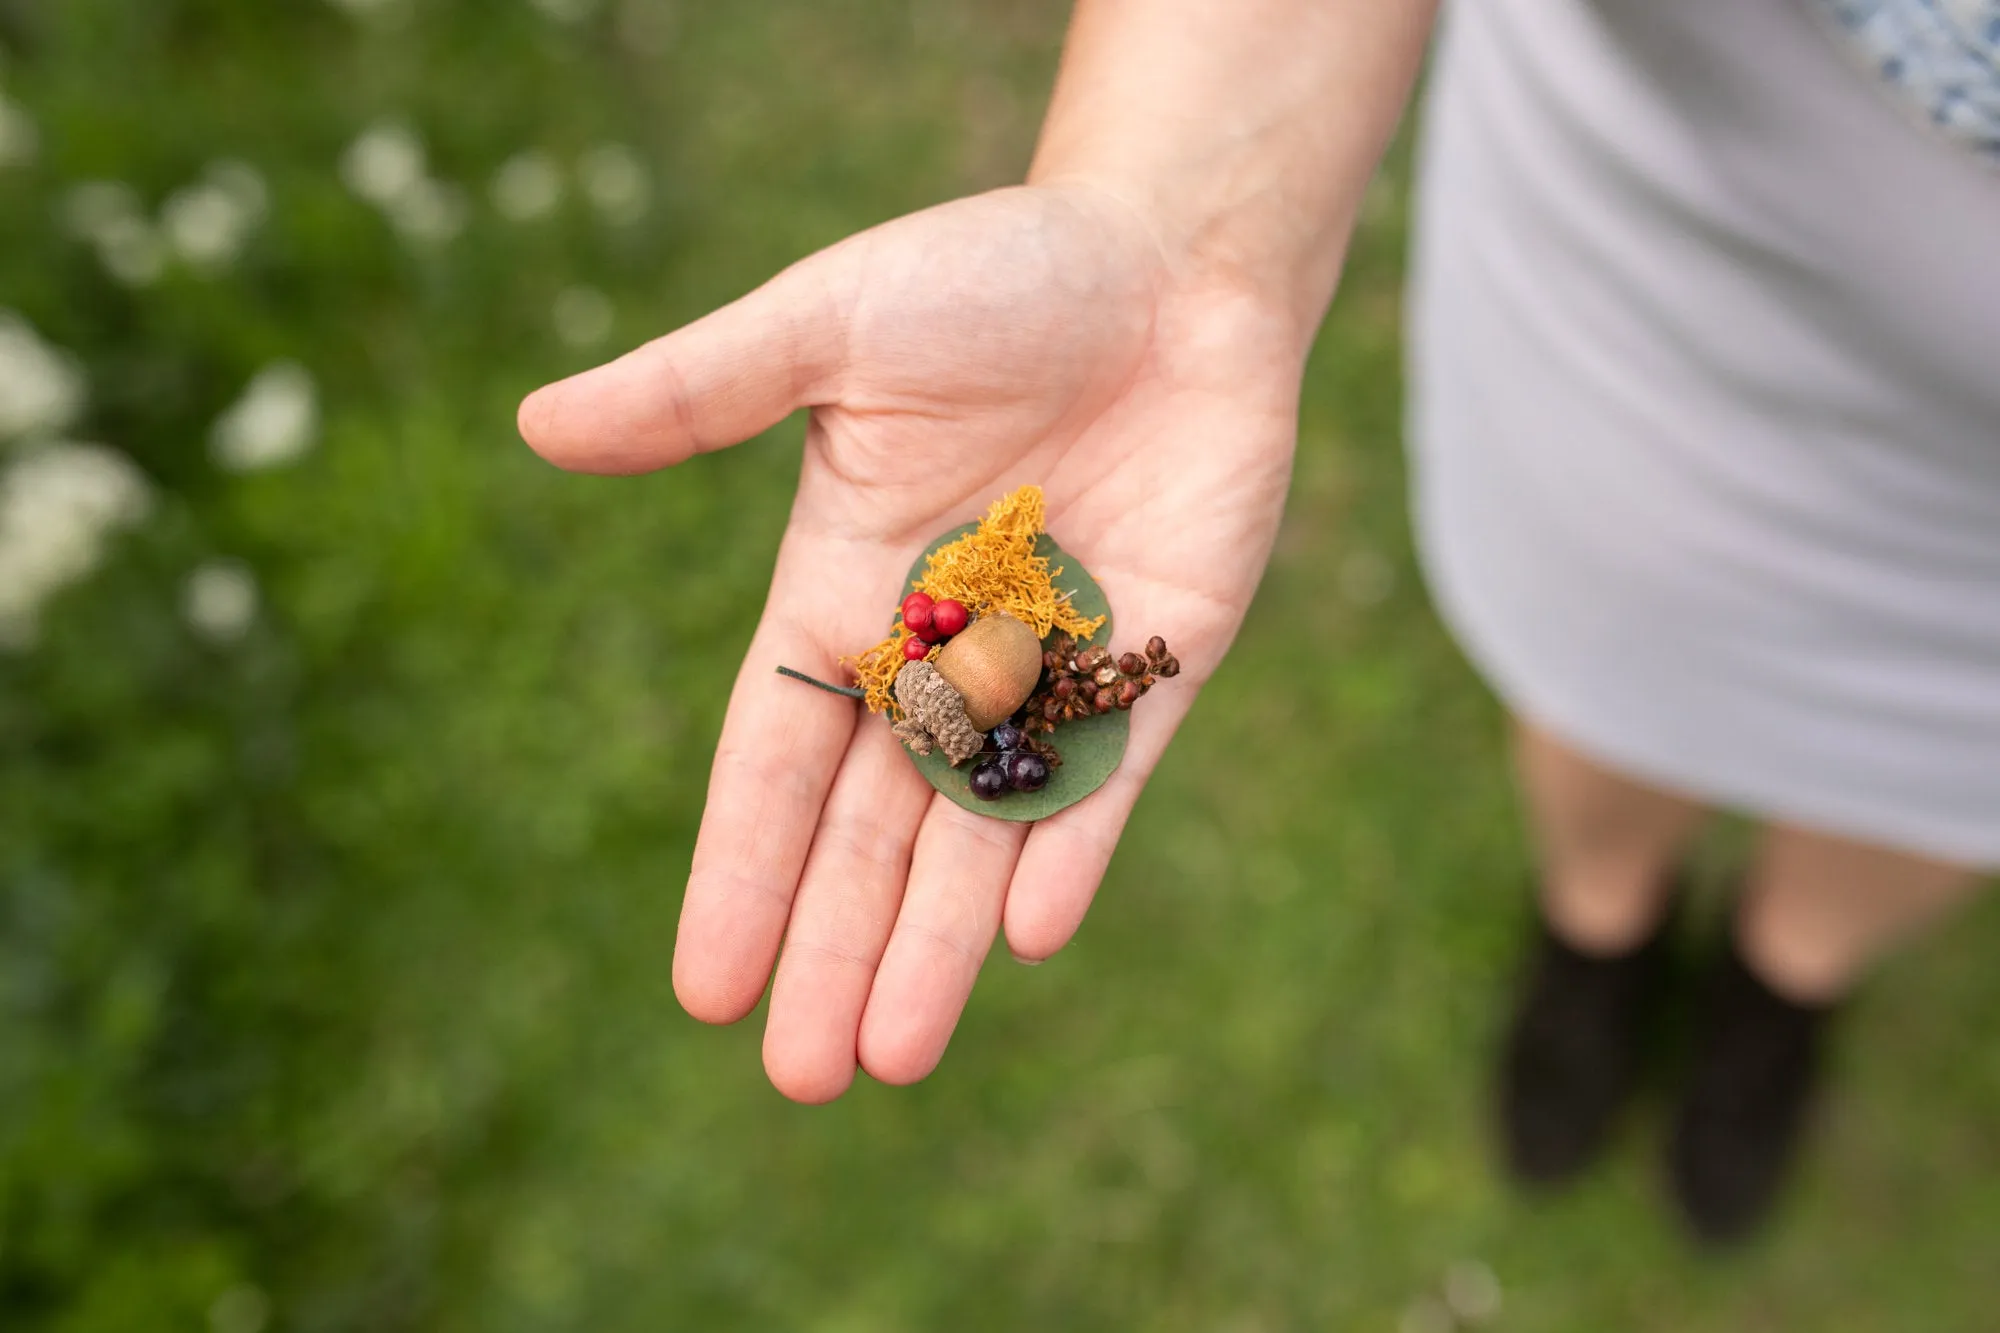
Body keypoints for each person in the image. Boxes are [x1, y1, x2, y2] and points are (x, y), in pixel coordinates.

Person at [517, 0, 2000, 1244]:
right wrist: (1171, 216)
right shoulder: (986, 644)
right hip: (1673, 242)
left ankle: (1786, 977)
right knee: (1619, 672)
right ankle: (1598, 933)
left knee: (1945, 763)